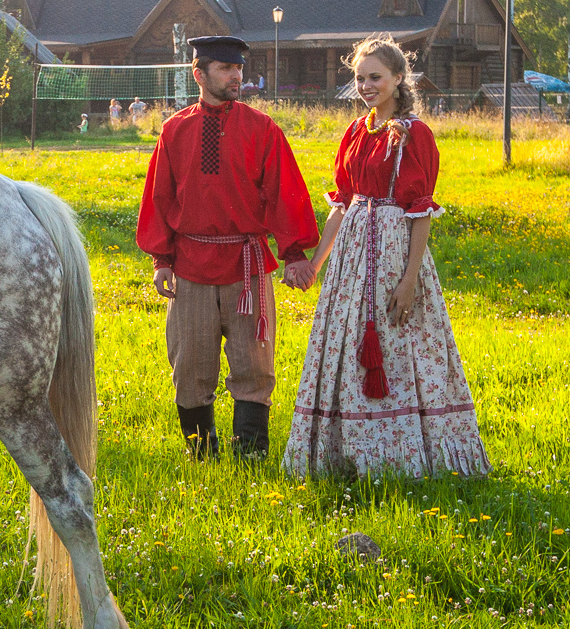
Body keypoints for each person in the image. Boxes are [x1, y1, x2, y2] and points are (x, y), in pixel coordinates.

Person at [281, 36, 489, 478]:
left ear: (398, 78)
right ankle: (345, 454)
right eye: (360, 77)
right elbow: (343, 204)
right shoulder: (356, 132)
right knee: (343, 342)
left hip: (395, 253)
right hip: (351, 262)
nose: (366, 85)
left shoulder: (416, 134)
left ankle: (402, 456)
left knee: (398, 343)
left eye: (375, 77)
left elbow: (420, 213)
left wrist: (410, 278)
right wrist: (317, 264)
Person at [137, 36, 319, 459]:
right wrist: (162, 260)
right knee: (191, 364)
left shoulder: (262, 129)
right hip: (191, 267)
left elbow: (283, 190)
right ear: (199, 75)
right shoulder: (174, 130)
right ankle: (201, 454)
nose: (236, 76)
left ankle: (250, 456)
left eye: (238, 69)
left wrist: (293, 254)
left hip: (247, 267)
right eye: (225, 69)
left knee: (253, 363)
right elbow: (160, 197)